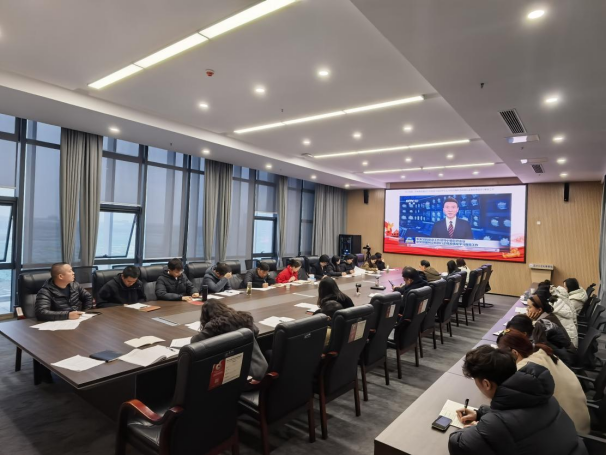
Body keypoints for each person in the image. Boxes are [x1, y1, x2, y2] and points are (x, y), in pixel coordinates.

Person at [448, 345, 586, 455]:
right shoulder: (544, 397)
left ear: (486, 384)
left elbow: (458, 445)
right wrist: (480, 413)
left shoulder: (495, 426)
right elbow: (517, 419)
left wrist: (473, 429)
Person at [497, 329, 590, 434]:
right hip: (578, 420)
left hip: (568, 431)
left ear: (515, 353)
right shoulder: (543, 353)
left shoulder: (526, 368)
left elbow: (510, 402)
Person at [191, 300, 267, 380]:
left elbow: (194, 342)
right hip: (261, 368)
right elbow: (256, 331)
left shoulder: (213, 326)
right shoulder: (241, 317)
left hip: (247, 377)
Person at [535, 282, 578, 347]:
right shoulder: (558, 302)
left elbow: (540, 328)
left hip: (568, 347)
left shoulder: (553, 311)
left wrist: (532, 320)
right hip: (570, 342)